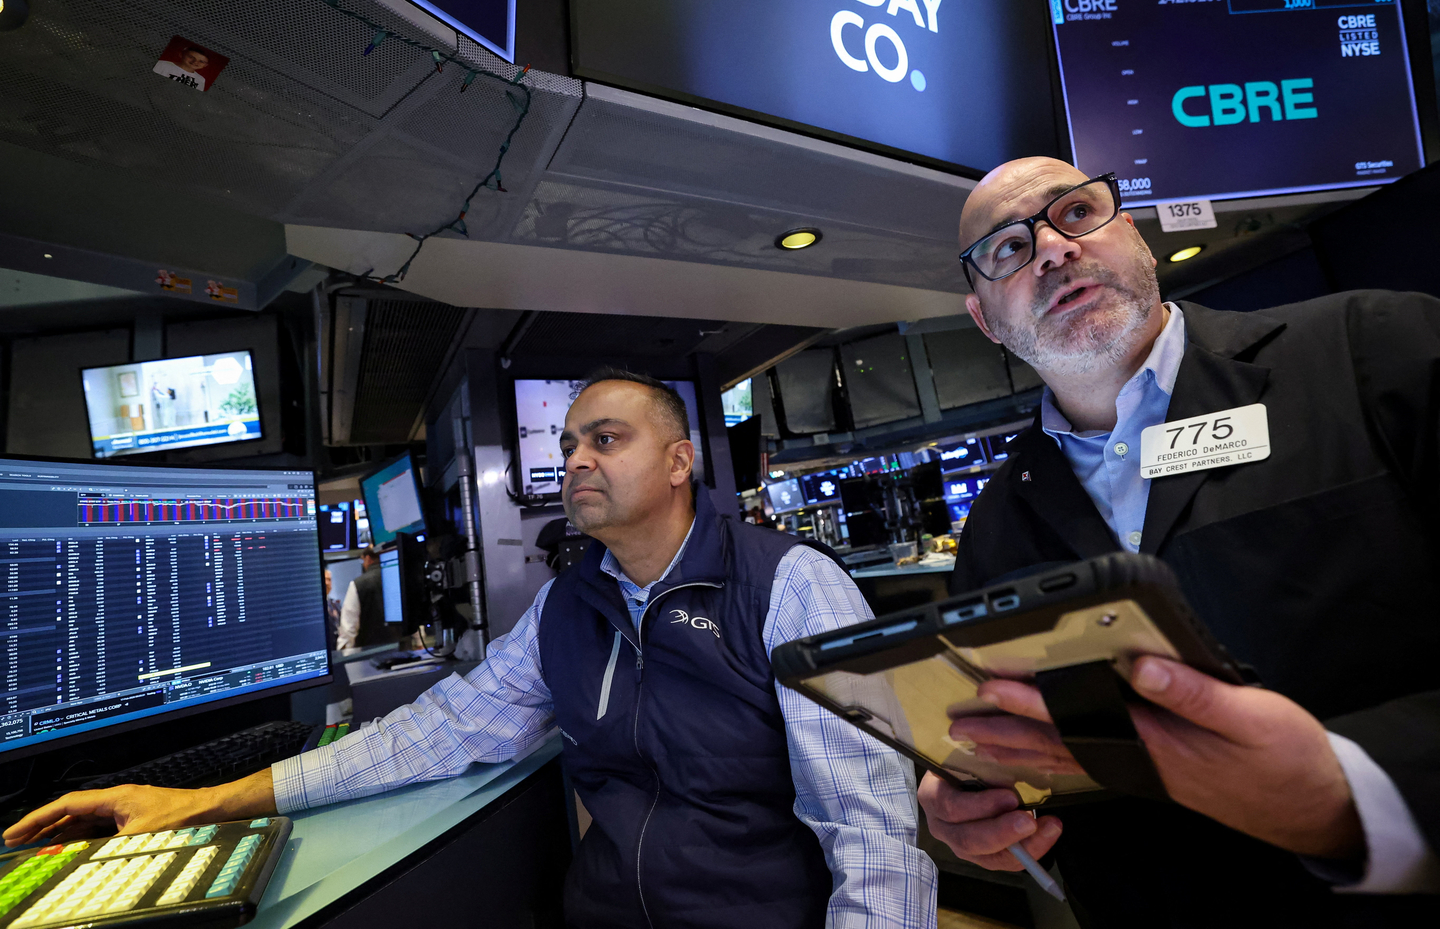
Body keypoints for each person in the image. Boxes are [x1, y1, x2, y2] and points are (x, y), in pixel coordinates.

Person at [7, 368, 937, 927]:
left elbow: (873, 830)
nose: (576, 459)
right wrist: (203, 800)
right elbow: (438, 732)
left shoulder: (791, 585)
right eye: (570, 442)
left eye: (605, 439)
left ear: (680, 462)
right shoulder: (570, 606)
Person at [918, 156, 1440, 925]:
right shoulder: (995, 529)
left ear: (1133, 233)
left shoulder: (1374, 352)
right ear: (985, 319)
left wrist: (1355, 787)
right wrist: (998, 810)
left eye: (1074, 214)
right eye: (1007, 249)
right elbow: (1047, 760)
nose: (1054, 251)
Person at [335, 546, 385, 650]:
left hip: (370, 652)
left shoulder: (358, 584)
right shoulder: (398, 576)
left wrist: (344, 653)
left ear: (367, 558)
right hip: (402, 649)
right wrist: (419, 642)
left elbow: (349, 627)